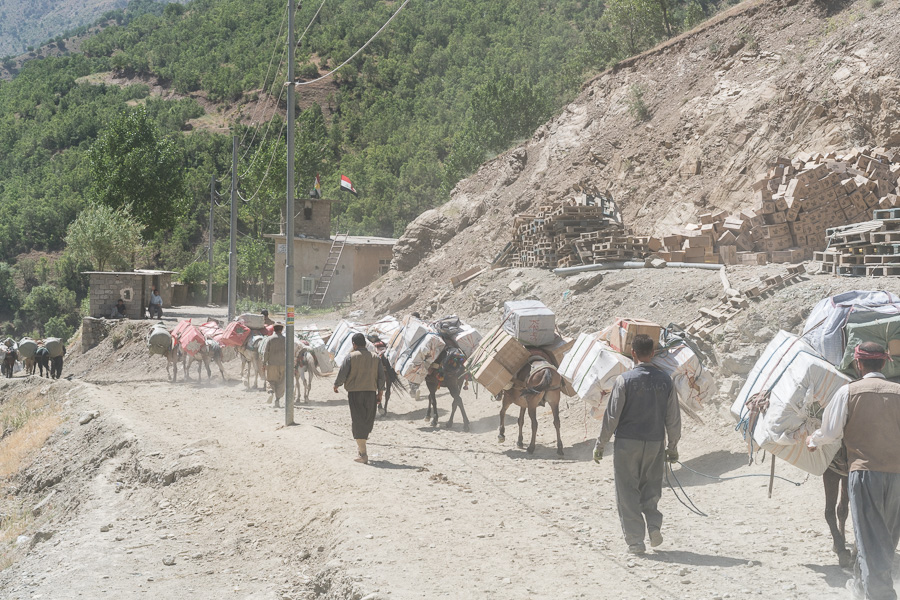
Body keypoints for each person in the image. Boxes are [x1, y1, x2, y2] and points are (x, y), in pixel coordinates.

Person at [807, 341, 900, 600]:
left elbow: (831, 432)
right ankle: (862, 586)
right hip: (898, 475)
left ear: (858, 364)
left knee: (869, 538)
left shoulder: (847, 393)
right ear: (884, 362)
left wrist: (813, 441)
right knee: (889, 537)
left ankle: (880, 595)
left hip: (865, 474)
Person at [593, 333, 681, 555]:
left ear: (632, 353)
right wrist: (673, 446)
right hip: (655, 443)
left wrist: (600, 444)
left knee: (627, 489)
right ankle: (653, 526)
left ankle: (635, 541)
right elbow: (673, 418)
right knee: (651, 487)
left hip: (627, 444)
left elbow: (611, 417)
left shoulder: (624, 380)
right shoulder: (666, 380)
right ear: (652, 353)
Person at [334, 332, 385, 464]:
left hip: (355, 393)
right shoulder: (376, 357)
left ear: (354, 344)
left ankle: (363, 454)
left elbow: (342, 374)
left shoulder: (350, 357)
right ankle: (362, 448)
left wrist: (336, 385)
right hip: (370, 393)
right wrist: (380, 394)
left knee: (358, 420)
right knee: (367, 420)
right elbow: (381, 377)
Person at [261, 323, 286, 408]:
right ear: (281, 330)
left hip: (271, 365)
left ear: (274, 330)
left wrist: (264, 363)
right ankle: (277, 400)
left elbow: (265, 352)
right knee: (281, 382)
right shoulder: (286, 339)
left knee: (270, 380)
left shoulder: (270, 339)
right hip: (283, 365)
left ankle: (271, 392)